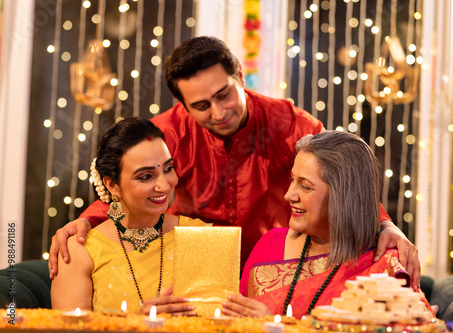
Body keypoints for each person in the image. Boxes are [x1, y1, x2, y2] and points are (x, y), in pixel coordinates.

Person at [49, 36, 421, 289]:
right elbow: (131, 183)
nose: (219, 112)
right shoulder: (167, 133)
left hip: (278, 267)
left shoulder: (289, 124)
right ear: (183, 105)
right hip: (193, 270)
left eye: (224, 94)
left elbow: (339, 178)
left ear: (240, 76)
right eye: (201, 106)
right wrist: (87, 219)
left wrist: (385, 223)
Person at [221, 131, 431, 318]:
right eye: (292, 180)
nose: (288, 195)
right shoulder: (270, 245)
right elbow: (228, 318)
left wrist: (274, 327)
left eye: (305, 186)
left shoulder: (385, 265)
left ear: (343, 197)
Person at [51, 117, 208, 315]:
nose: (165, 185)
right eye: (146, 176)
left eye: (168, 169)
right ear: (112, 185)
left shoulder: (200, 238)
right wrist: (137, 325)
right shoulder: (79, 251)